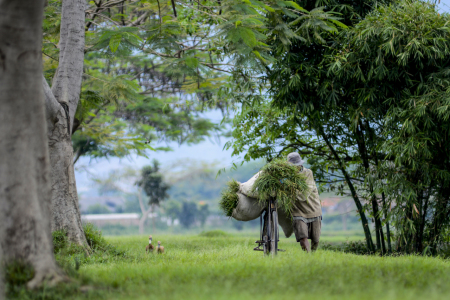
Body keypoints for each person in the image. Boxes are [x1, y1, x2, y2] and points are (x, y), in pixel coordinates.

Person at [287, 152, 322, 252]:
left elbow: (303, 195)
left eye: (297, 165)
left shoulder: (308, 173)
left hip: (313, 208)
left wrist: (289, 186)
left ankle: (313, 256)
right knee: (302, 237)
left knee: (315, 240)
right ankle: (308, 257)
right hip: (297, 210)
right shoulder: (286, 175)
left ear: (300, 164)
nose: (296, 168)